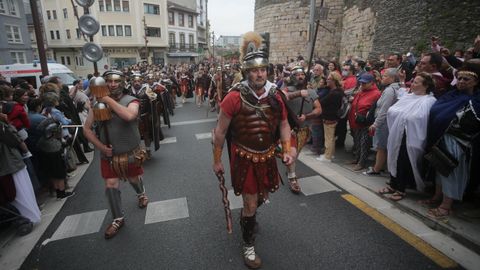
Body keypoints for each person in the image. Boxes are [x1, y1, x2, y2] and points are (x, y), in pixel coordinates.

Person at [212, 31, 295, 269]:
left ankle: (247, 218)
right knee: (250, 204)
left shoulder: (276, 95)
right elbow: (219, 131)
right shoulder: (234, 97)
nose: (259, 74)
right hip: (244, 156)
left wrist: (286, 149)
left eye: (263, 70)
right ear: (247, 72)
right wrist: (217, 159)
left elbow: (284, 124)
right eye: (254, 70)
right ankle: (248, 244)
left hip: (268, 155)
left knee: (262, 197)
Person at [83, 70, 149, 239]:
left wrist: (107, 100)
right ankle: (117, 219)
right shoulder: (97, 104)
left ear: (122, 82)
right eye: (109, 81)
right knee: (111, 185)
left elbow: (129, 116)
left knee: (134, 179)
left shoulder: (131, 100)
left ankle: (141, 194)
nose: (112, 84)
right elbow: (87, 129)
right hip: (109, 155)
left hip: (130, 152)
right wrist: (101, 147)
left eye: (116, 81)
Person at [421, 61, 480, 218]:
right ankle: (437, 197)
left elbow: (472, 122)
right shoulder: (451, 95)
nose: (461, 82)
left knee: (450, 172)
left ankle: (446, 206)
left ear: (476, 81)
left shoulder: (475, 101)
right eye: (459, 78)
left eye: (466, 79)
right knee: (439, 168)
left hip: (458, 141)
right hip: (441, 137)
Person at [378, 72, 437, 201]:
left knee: (404, 161)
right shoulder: (409, 97)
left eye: (416, 82)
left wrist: (405, 118)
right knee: (393, 157)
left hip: (412, 135)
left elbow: (421, 118)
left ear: (425, 86)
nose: (413, 84)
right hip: (398, 132)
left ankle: (401, 188)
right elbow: (397, 107)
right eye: (413, 81)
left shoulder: (429, 100)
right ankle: (393, 184)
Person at [283, 66, 322, 193]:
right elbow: (282, 97)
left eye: (302, 75)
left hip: (304, 129)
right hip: (290, 129)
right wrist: (298, 94)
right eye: (297, 75)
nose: (300, 77)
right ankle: (292, 178)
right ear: (293, 77)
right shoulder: (287, 89)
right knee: (292, 153)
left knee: (295, 154)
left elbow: (318, 109)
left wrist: (306, 116)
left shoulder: (311, 91)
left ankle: (290, 168)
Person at [365, 68, 404, 175]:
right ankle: (381, 167)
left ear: (392, 78)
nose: (382, 78)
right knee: (383, 146)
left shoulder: (389, 91)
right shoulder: (395, 89)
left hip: (384, 123)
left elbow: (384, 110)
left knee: (381, 147)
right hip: (387, 122)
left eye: (385, 76)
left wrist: (375, 124)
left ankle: (377, 169)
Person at [347, 73, 381, 171]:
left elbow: (375, 109)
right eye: (361, 83)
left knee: (364, 144)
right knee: (357, 142)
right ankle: (357, 159)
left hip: (366, 122)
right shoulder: (362, 90)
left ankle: (361, 163)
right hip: (356, 121)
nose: (362, 84)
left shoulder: (376, 93)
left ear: (371, 83)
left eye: (364, 83)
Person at [316, 72, 344, 162]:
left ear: (334, 81)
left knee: (329, 137)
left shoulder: (334, 93)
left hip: (330, 117)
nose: (327, 80)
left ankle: (327, 156)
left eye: (329, 79)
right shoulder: (337, 91)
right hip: (333, 117)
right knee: (331, 138)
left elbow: (323, 102)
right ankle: (330, 154)